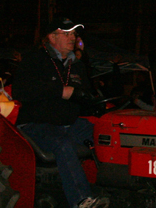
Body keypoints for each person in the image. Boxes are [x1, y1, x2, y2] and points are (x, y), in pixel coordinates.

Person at [13, 17, 109, 208]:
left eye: (74, 33)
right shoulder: (34, 60)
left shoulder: (78, 66)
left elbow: (85, 96)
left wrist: (94, 104)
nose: (72, 37)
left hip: (70, 124)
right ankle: (81, 201)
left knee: (107, 134)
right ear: (51, 37)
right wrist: (60, 91)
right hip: (36, 124)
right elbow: (21, 91)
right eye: (67, 33)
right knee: (62, 143)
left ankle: (114, 188)